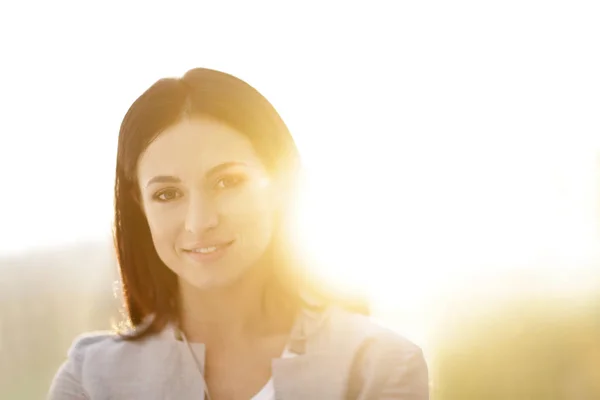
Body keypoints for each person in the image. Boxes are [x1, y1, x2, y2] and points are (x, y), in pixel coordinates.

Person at [48, 67, 429, 399]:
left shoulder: (379, 366)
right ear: (139, 206)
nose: (200, 222)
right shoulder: (90, 379)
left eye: (228, 182)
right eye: (168, 194)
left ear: (278, 180)